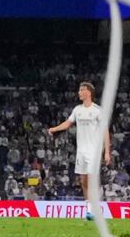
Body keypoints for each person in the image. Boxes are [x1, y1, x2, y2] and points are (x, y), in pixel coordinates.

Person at [43, 80, 107, 212]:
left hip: (94, 151)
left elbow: (105, 131)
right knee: (83, 180)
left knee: (92, 179)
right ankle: (89, 207)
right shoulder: (77, 110)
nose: (79, 92)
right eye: (79, 90)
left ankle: (96, 204)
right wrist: (55, 129)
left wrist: (107, 152)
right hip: (81, 151)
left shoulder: (97, 111)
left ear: (88, 92)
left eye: (81, 90)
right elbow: (68, 123)